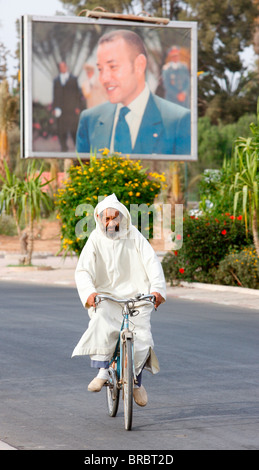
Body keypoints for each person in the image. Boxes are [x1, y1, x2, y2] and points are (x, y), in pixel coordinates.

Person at [72, 194, 166, 407]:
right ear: (98, 218)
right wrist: (90, 293)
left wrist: (157, 290)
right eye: (107, 218)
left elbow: (152, 263)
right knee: (101, 322)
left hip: (137, 296)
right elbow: (83, 271)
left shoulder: (135, 236)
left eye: (115, 218)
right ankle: (103, 371)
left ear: (123, 217)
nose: (111, 223)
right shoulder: (95, 239)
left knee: (141, 336)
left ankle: (136, 384)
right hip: (106, 297)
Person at [76, 29, 191, 156]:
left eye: (113, 66)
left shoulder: (177, 120)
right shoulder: (90, 120)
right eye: (100, 69)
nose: (104, 78)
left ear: (139, 65)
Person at [52, 61, 83, 151]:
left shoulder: (73, 79)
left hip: (71, 108)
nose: (62, 68)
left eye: (63, 66)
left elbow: (77, 94)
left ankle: (78, 147)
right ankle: (64, 147)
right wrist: (54, 107)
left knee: (74, 128)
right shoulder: (56, 80)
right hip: (60, 109)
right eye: (60, 67)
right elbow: (54, 95)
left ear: (66, 67)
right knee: (61, 129)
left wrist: (78, 107)